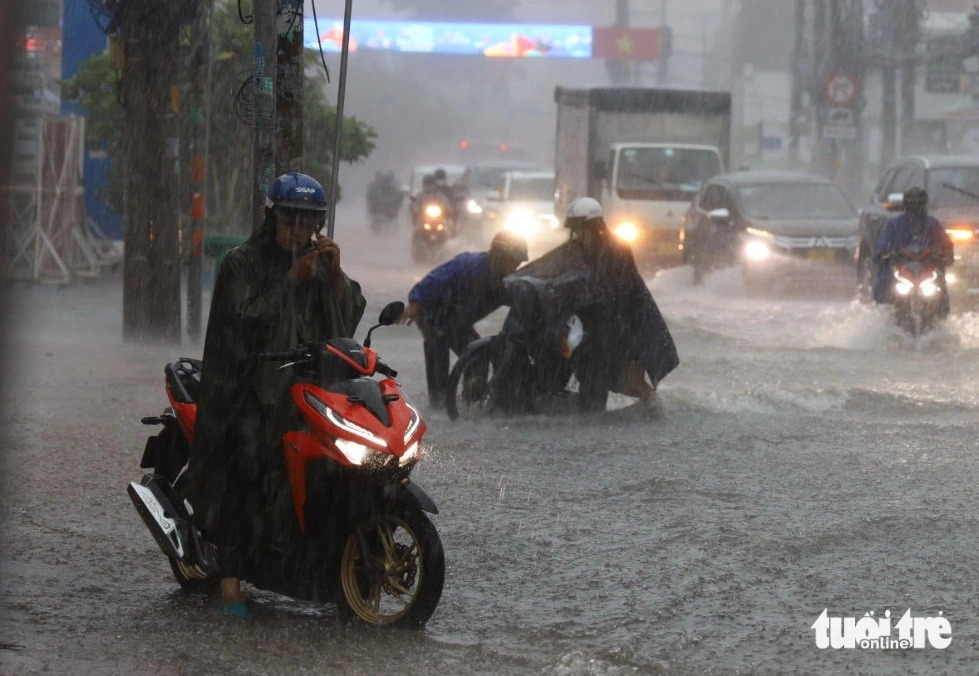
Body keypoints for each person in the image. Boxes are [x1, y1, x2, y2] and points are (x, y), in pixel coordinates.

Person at [182, 172, 366, 619]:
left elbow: (345, 323)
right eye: (290, 220)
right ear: (272, 217)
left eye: (308, 222)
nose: (298, 231)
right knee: (247, 464)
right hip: (248, 387)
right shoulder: (240, 263)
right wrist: (289, 280)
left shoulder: (320, 263)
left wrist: (337, 277)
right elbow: (241, 321)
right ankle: (229, 583)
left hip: (305, 386)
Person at [506, 197, 679, 412]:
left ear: (595, 227)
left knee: (624, 379)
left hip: (623, 324)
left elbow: (618, 290)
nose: (578, 234)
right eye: (575, 230)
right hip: (590, 324)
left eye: (581, 229)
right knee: (567, 357)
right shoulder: (574, 249)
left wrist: (589, 297)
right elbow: (547, 267)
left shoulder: (617, 250)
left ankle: (653, 408)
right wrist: (519, 281)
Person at [400, 231, 529, 407]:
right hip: (433, 313)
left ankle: (472, 400)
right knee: (437, 348)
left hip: (458, 321)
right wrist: (415, 305)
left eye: (517, 264)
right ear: (498, 256)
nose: (513, 268)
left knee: (478, 354)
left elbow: (524, 300)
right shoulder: (469, 264)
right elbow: (433, 280)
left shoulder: (507, 282)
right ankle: (438, 401)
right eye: (511, 262)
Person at [873, 186, 953, 316]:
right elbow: (883, 244)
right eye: (912, 204)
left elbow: (946, 244)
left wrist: (945, 254)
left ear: (924, 204)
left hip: (927, 269)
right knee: (885, 280)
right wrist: (884, 252)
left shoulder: (933, 224)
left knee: (941, 285)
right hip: (902, 268)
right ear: (906, 204)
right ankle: (882, 311)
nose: (915, 207)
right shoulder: (894, 224)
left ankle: (941, 315)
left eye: (918, 204)